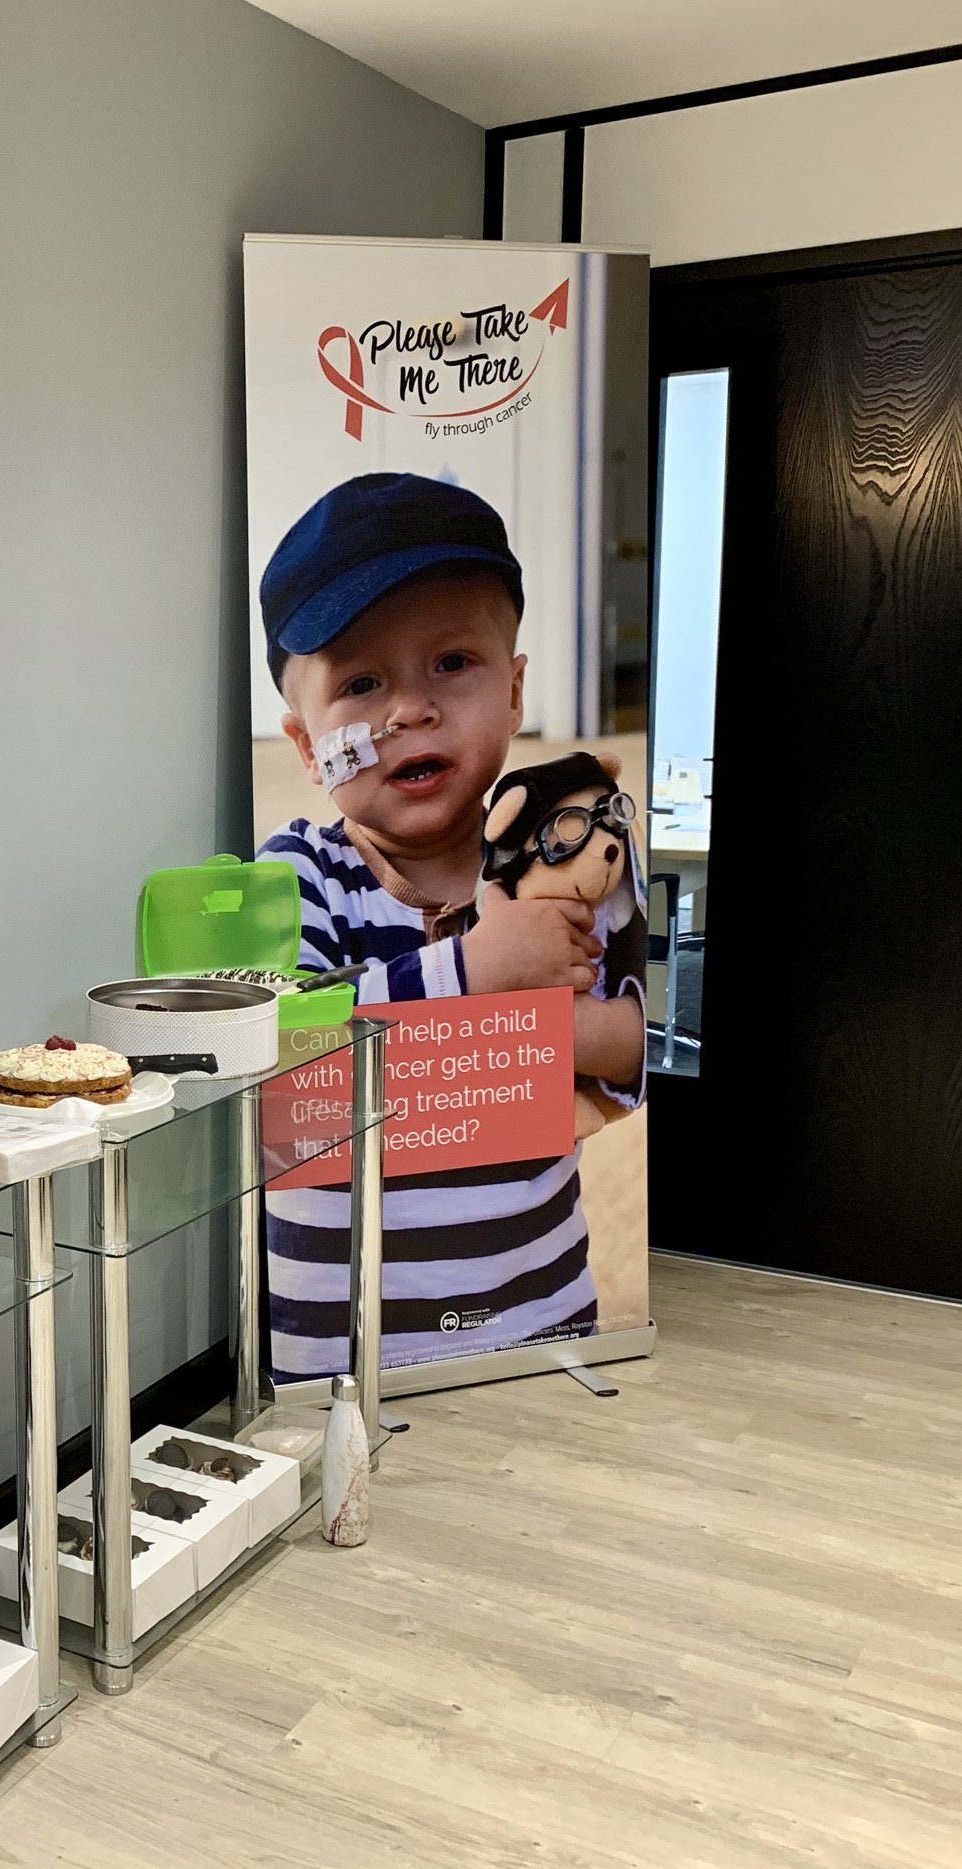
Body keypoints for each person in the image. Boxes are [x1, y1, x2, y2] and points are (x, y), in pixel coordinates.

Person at [253, 472, 645, 1382]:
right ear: (308, 746)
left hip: (542, 1325)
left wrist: (543, 1028)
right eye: (360, 682)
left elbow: (634, 1049)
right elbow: (285, 1075)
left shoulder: (567, 852)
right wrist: (481, 973)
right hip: (340, 1362)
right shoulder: (295, 876)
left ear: (513, 692)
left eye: (452, 664)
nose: (408, 709)